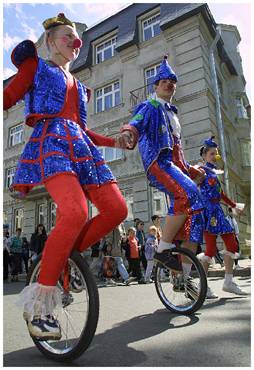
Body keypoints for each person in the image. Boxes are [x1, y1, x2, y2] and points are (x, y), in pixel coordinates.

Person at [4, 13, 128, 340]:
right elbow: (8, 96)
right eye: (67, 37)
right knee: (74, 211)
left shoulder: (78, 85)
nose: (74, 43)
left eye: (77, 39)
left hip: (81, 147)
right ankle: (41, 308)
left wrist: (115, 140)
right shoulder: (37, 67)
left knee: (117, 209)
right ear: (50, 41)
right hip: (51, 144)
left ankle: (66, 259)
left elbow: (83, 129)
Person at [119, 55, 206, 275]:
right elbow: (137, 121)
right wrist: (129, 131)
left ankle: (183, 279)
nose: (170, 84)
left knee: (194, 222)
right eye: (165, 81)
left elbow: (178, 150)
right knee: (190, 194)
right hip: (159, 162)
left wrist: (191, 169)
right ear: (156, 85)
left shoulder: (172, 114)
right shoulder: (152, 105)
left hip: (173, 166)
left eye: (173, 82)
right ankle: (163, 248)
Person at [198, 136, 247, 297]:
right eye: (212, 154)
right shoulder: (202, 171)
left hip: (217, 211)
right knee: (210, 250)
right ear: (204, 156)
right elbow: (192, 186)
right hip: (208, 212)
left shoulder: (213, 172)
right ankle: (202, 287)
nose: (215, 156)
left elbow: (220, 194)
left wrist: (233, 205)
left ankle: (228, 281)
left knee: (232, 244)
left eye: (216, 154)